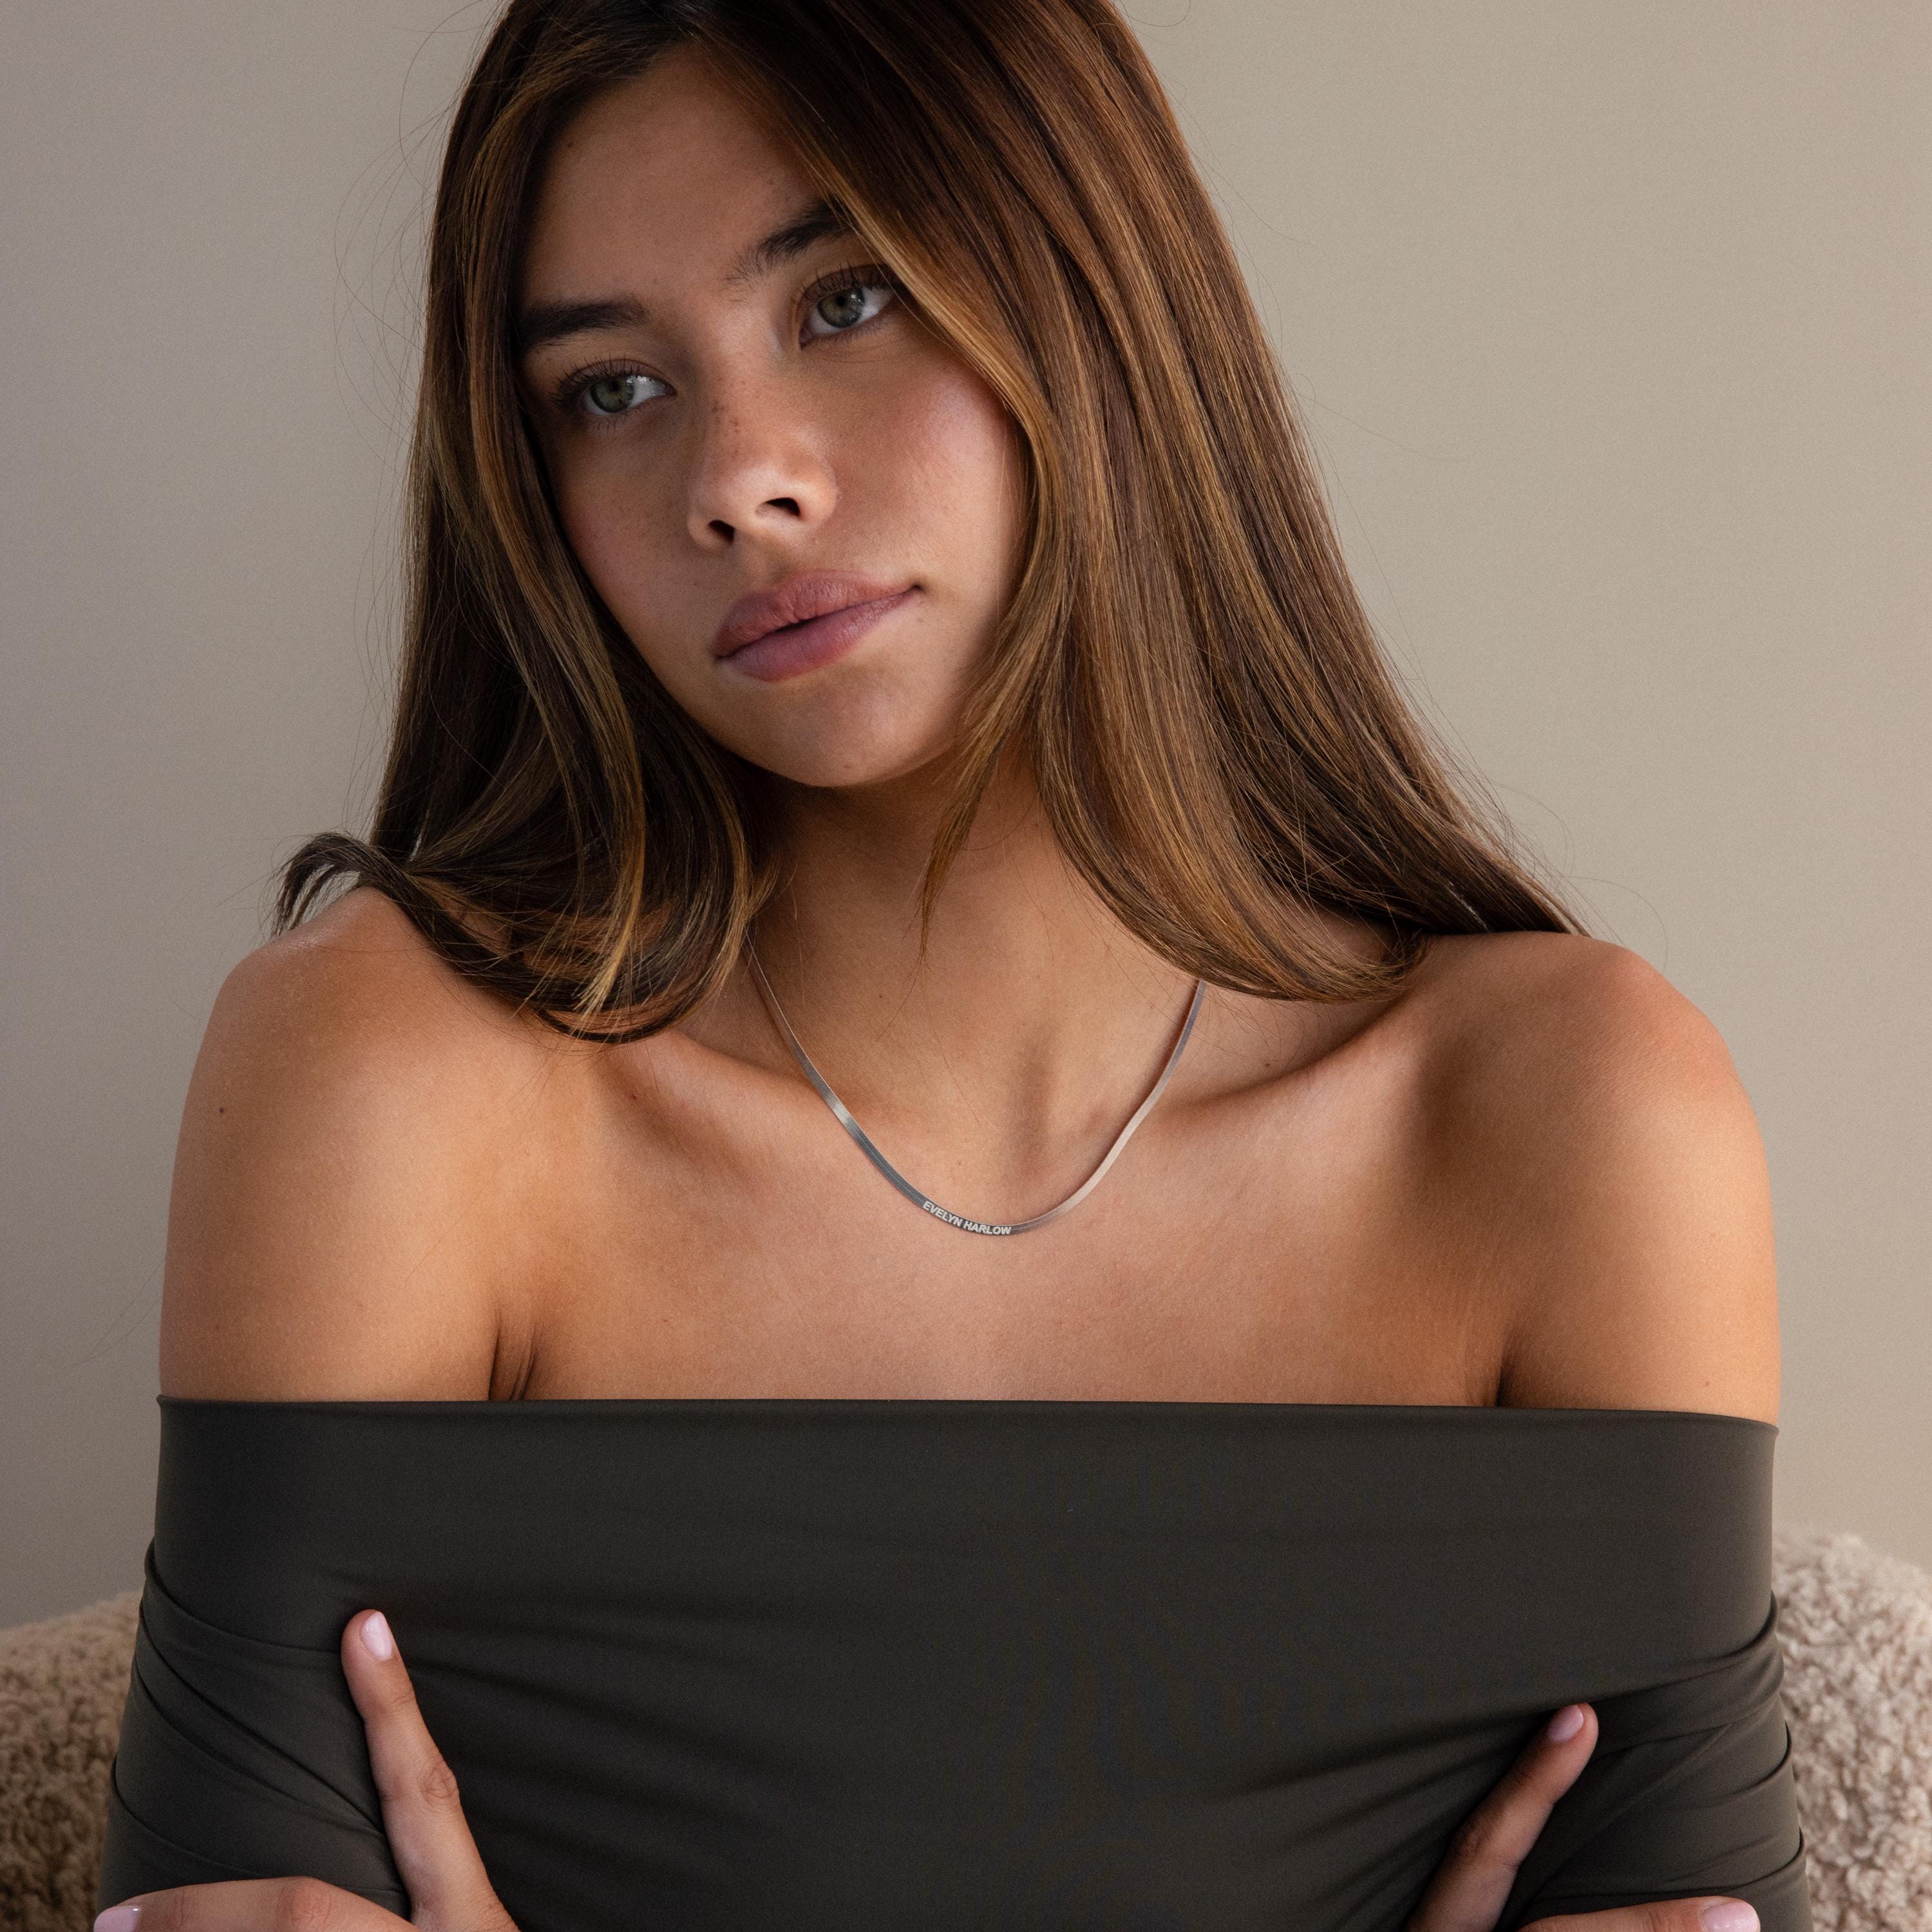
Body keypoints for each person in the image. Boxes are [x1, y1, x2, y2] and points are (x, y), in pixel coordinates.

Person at [93, 1, 1808, 1927]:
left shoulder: (1562, 1120)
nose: (737, 481)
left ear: (1096, 287)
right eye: (610, 389)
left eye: (843, 301)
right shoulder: (405, 1088)